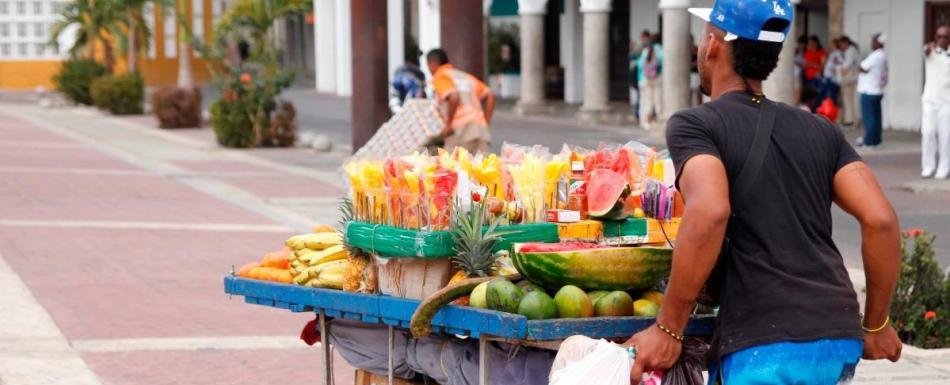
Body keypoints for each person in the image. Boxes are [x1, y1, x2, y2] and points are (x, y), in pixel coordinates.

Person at [625, 1, 903, 384]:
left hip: (764, 344)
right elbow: (881, 220)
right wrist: (876, 324)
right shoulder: (820, 130)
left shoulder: (697, 125)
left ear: (713, 44)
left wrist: (668, 328)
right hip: (834, 334)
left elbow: (710, 211)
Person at [426, 48, 495, 154]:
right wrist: (485, 122)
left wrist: (449, 125)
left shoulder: (441, 76)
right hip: (481, 131)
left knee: (450, 163)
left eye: (428, 65)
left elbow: (454, 96)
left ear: (432, 63)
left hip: (461, 132)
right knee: (482, 164)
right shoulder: (465, 76)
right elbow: (490, 95)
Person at [921, 25, 950, 179]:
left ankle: (943, 168)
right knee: (928, 133)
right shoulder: (930, 50)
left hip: (947, 102)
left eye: (945, 37)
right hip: (929, 101)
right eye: (939, 36)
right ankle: (928, 166)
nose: (942, 39)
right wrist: (929, 48)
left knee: (945, 136)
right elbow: (925, 51)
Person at [857, 33, 888, 148]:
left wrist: (861, 68)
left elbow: (862, 67)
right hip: (877, 90)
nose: (871, 43)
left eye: (873, 41)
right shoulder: (882, 55)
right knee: (876, 117)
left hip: (869, 90)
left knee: (869, 118)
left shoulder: (876, 55)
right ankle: (876, 140)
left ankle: (869, 142)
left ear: (878, 42)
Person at [638, 32, 664, 130]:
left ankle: (646, 122)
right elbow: (664, 65)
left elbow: (641, 65)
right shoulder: (661, 50)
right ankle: (660, 120)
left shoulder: (646, 50)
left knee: (648, 101)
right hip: (658, 78)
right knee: (658, 100)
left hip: (647, 79)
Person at [838, 36, 860, 126]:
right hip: (851, 78)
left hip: (850, 78)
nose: (841, 46)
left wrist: (841, 70)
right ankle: (850, 120)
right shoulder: (849, 51)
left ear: (846, 43)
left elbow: (847, 65)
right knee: (848, 100)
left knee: (848, 100)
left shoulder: (851, 51)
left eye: (841, 44)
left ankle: (850, 121)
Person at [818, 37, 843, 110]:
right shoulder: (832, 53)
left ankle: (830, 112)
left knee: (830, 97)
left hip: (832, 79)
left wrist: (835, 69)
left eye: (831, 44)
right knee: (824, 95)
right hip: (828, 77)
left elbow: (840, 62)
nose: (829, 45)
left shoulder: (838, 53)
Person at [802, 35, 827, 109]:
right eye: (809, 43)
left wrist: (812, 65)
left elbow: (823, 65)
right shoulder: (807, 52)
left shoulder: (821, 52)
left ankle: (816, 110)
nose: (810, 45)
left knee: (816, 95)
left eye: (812, 43)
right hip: (807, 77)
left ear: (816, 43)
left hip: (816, 78)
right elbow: (804, 64)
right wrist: (812, 65)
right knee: (808, 96)